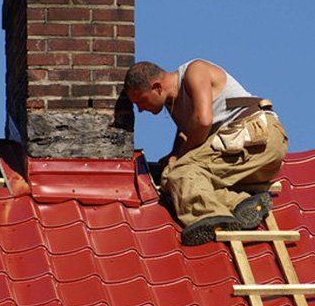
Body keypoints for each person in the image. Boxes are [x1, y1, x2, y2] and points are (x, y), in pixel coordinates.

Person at [124, 59, 289, 245]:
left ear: (157, 87)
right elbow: (187, 133)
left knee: (179, 175)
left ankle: (211, 217)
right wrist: (174, 154)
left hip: (256, 136)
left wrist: (179, 162)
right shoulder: (174, 104)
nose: (140, 109)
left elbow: (203, 121)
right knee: (177, 183)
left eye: (140, 100)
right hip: (245, 153)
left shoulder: (195, 71)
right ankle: (240, 204)